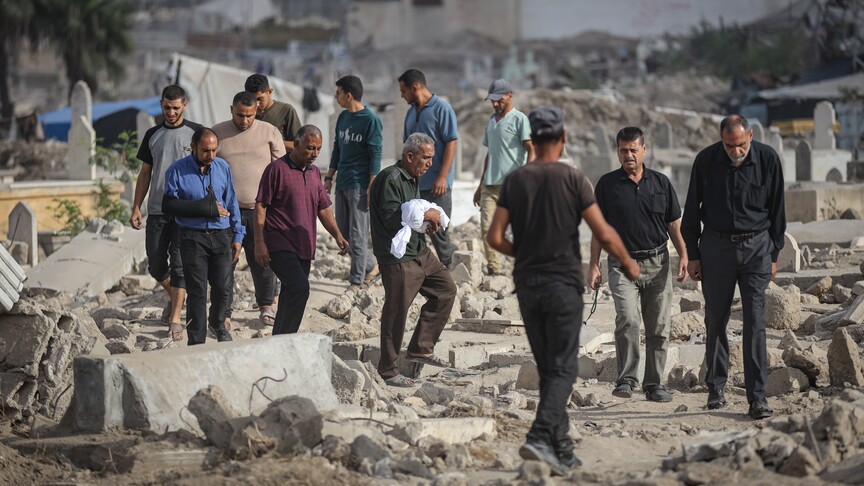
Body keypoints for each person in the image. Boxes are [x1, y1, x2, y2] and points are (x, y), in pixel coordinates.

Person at [487, 106, 638, 474]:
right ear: (564, 138)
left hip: (527, 283)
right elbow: (603, 232)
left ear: (532, 141)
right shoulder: (574, 180)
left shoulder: (515, 180)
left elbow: (494, 237)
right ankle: (540, 436)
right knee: (563, 369)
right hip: (563, 285)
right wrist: (629, 263)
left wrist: (523, 252)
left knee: (549, 368)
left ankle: (563, 449)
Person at [682, 114, 786, 420]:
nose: (736, 151)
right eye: (729, 146)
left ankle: (758, 399)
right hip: (716, 248)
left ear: (750, 136)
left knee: (755, 321)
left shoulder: (768, 159)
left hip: (756, 248)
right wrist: (693, 254)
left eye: (740, 145)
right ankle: (716, 389)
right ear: (721, 140)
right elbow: (691, 210)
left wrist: (775, 253)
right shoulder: (706, 160)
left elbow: (778, 208)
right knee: (716, 318)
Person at [587, 127, 688, 403]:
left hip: (658, 263)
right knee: (628, 319)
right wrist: (593, 265)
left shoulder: (661, 183)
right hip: (622, 264)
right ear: (617, 152)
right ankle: (627, 379)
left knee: (658, 326)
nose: (628, 155)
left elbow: (673, 225)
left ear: (644, 150)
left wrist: (685, 255)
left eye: (633, 149)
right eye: (623, 150)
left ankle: (654, 384)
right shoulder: (607, 185)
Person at [369, 132, 457, 388]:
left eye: (431, 158)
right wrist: (425, 213)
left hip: (419, 251)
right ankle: (388, 369)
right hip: (398, 257)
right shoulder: (391, 179)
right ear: (410, 156)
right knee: (396, 311)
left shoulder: (413, 177)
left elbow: (413, 215)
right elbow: (391, 217)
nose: (430, 163)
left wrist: (425, 223)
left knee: (446, 290)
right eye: (426, 158)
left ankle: (420, 348)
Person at [254, 125, 349, 335]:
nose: (314, 154)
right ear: (296, 145)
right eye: (310, 148)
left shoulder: (315, 173)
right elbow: (261, 206)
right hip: (279, 242)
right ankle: (288, 338)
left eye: (318, 149)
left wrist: (338, 235)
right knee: (300, 288)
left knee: (290, 292)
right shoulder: (276, 169)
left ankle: (281, 338)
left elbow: (323, 208)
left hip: (304, 245)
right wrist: (259, 243)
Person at [129, 84, 202, 341]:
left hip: (186, 212)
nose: (171, 112)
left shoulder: (197, 133)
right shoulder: (152, 135)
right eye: (167, 107)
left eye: (176, 107)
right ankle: (176, 296)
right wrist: (137, 205)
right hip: (158, 210)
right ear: (161, 104)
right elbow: (145, 173)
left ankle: (175, 318)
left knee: (180, 266)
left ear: (184, 106)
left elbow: (207, 168)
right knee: (156, 265)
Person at [163, 127, 243, 345]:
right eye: (206, 151)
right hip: (192, 237)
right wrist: (204, 208)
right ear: (193, 147)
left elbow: (232, 202)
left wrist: (238, 235)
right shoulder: (177, 171)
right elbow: (169, 205)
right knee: (197, 291)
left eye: (214, 150)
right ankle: (196, 341)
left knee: (223, 286)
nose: (211, 156)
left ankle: (217, 323)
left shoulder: (222, 167)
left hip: (221, 236)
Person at [213, 91, 286, 327]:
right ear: (231, 110)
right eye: (239, 115)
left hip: (261, 210)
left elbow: (281, 171)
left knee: (263, 261)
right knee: (224, 263)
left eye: (249, 115)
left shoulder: (269, 132)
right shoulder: (217, 133)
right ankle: (224, 312)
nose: (244, 121)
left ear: (257, 111)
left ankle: (266, 306)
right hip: (226, 213)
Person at [324, 75, 382, 291]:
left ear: (348, 95)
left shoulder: (370, 120)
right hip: (343, 182)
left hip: (361, 185)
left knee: (358, 235)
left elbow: (375, 155)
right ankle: (370, 265)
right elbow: (337, 149)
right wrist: (329, 177)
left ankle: (356, 281)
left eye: (338, 93)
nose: (336, 97)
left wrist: (372, 187)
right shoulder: (343, 118)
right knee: (344, 233)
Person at [472, 79, 534, 276]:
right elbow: (490, 154)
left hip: (514, 186)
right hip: (490, 185)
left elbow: (530, 148)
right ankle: (495, 269)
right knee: (487, 228)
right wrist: (480, 184)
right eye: (492, 101)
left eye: (499, 100)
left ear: (509, 96)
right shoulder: (491, 121)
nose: (495, 104)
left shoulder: (519, 119)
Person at [398, 69, 458, 267]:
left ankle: (450, 268)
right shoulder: (410, 113)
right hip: (416, 184)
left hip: (437, 184)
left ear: (415, 87)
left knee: (438, 231)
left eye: (403, 90)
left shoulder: (442, 108)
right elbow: (407, 147)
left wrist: (443, 176)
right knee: (414, 229)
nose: (402, 95)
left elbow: (451, 142)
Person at [245, 73, 302, 152]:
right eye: (252, 99)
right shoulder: (244, 114)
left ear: (270, 92)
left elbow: (299, 146)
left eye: (260, 99)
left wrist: (271, 142)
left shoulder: (286, 111)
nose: (257, 104)